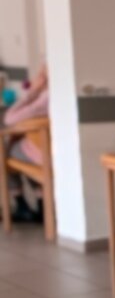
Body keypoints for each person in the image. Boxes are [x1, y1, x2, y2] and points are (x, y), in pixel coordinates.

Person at [3, 64, 49, 223]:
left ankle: (21, 205)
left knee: (5, 154)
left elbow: (9, 118)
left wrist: (33, 91)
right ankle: (42, 203)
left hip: (42, 155)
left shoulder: (46, 98)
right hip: (54, 152)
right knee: (22, 149)